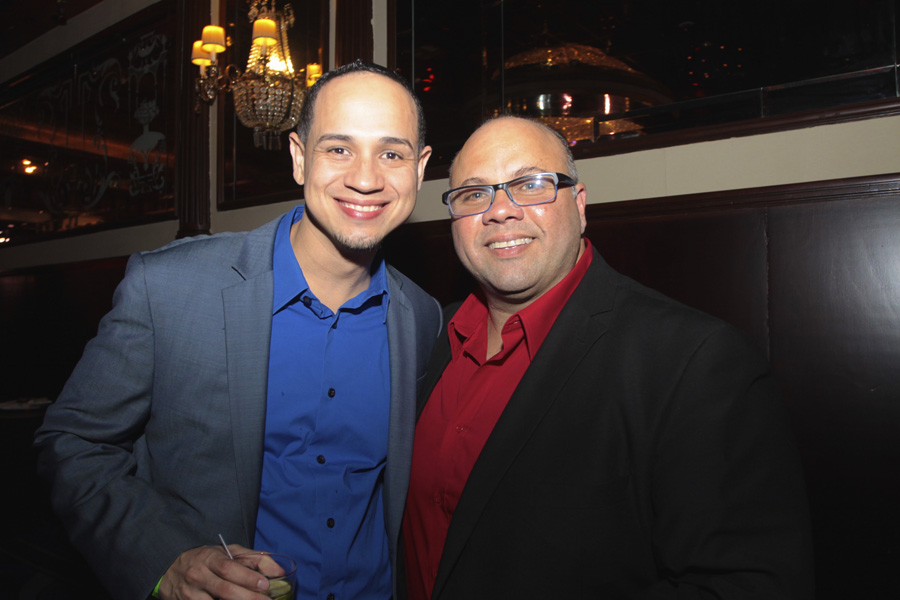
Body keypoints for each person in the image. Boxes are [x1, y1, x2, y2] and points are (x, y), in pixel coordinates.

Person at [34, 60, 441, 600]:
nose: (365, 178)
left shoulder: (424, 317)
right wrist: (164, 558)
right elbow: (73, 442)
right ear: (299, 158)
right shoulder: (170, 288)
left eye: (391, 154)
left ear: (419, 168)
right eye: (338, 149)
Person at [401, 116, 814, 599]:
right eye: (474, 194)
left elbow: (749, 583)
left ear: (579, 205)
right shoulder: (426, 336)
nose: (501, 211)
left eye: (531, 184)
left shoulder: (694, 363)